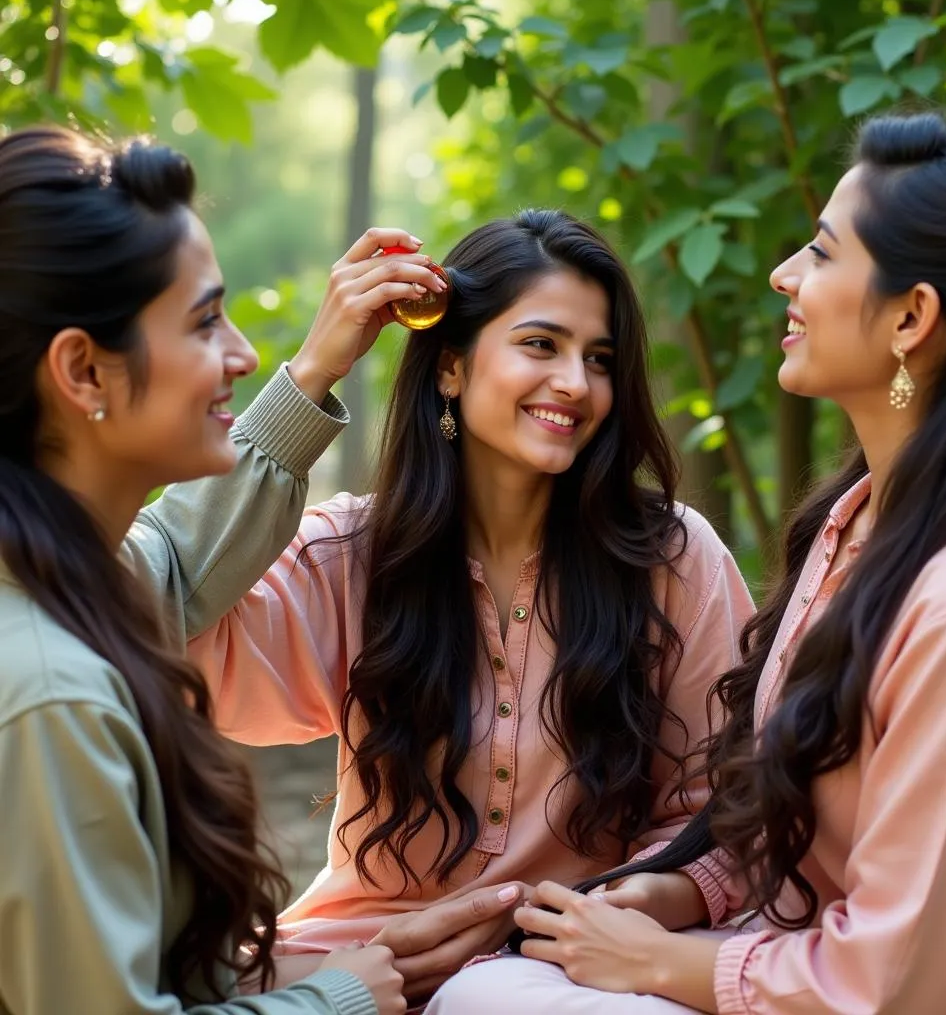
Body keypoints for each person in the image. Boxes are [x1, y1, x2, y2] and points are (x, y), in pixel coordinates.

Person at [424, 110, 946, 1015]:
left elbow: (905, 990)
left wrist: (662, 964)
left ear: (911, 316)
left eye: (821, 253)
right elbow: (804, 839)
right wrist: (683, 891)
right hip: (783, 962)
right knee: (502, 985)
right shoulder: (856, 529)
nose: (785, 275)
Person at [127, 207, 754, 1003]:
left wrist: (661, 892)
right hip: (356, 962)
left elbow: (728, 806)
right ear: (450, 366)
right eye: (540, 344)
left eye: (599, 359)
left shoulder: (672, 558)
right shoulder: (347, 555)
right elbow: (153, 612)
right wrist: (314, 370)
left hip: (576, 975)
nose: (575, 382)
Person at [0, 125, 409, 1015]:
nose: (242, 353)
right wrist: (343, 996)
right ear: (82, 369)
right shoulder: (49, 695)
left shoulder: (60, 578)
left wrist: (315, 371)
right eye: (203, 321)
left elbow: (177, 563)